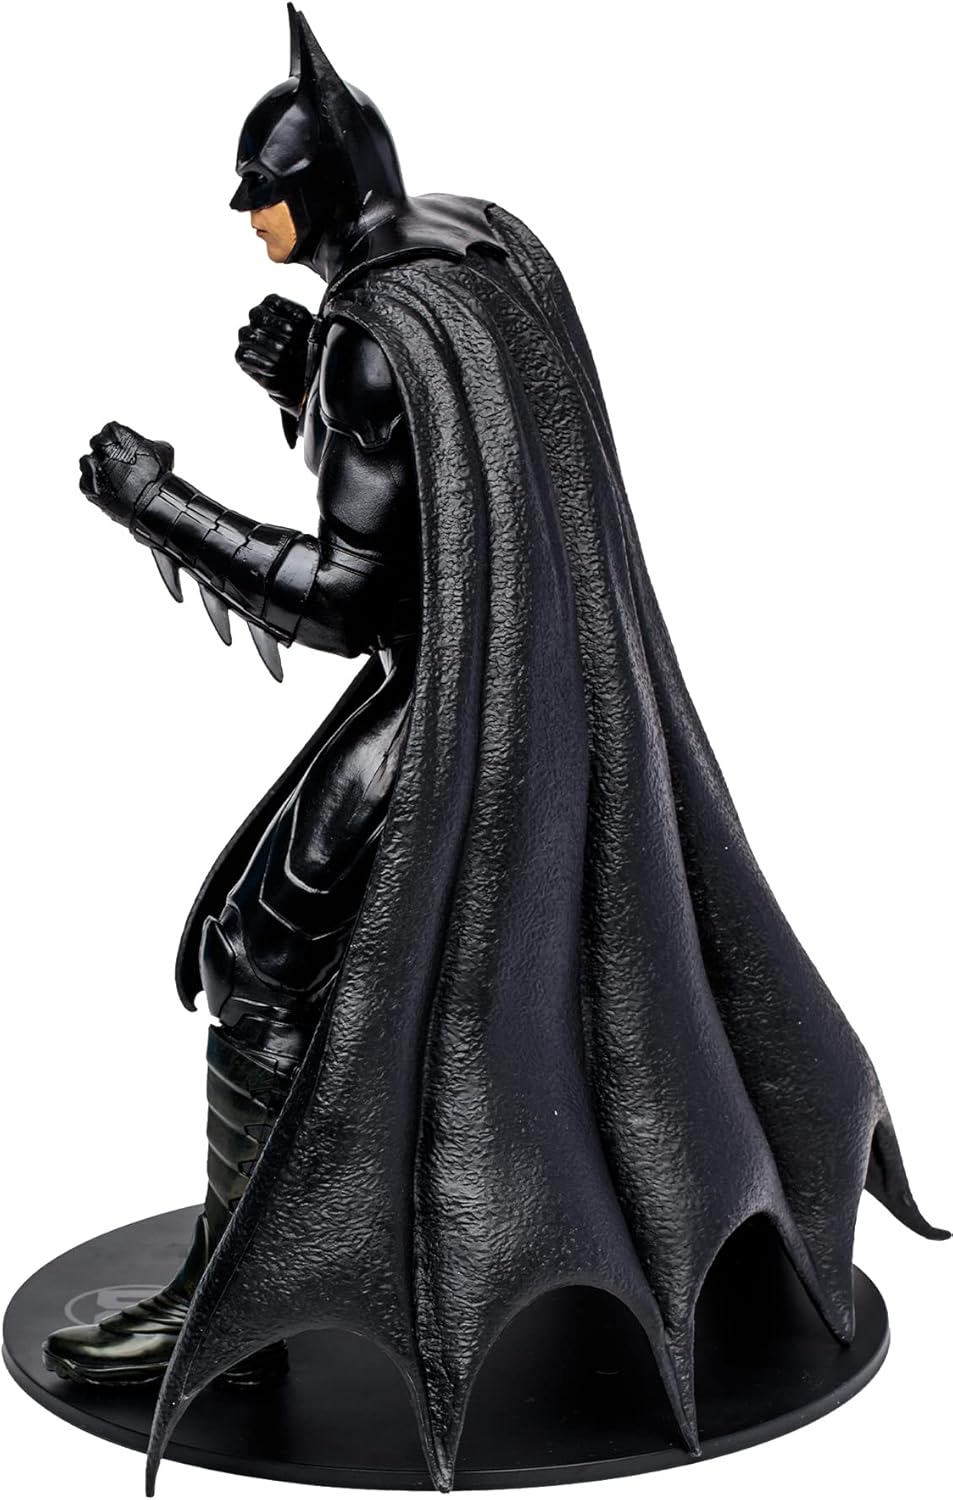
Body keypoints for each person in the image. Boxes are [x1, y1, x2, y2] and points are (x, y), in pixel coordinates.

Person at [43, 10, 945, 1493]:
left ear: (314, 192)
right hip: (554, 706)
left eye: (261, 196)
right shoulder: (482, 248)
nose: (246, 220)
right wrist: (301, 395)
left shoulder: (379, 338)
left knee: (258, 963)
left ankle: (231, 1307)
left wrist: (156, 502)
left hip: (452, 717)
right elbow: (465, 479)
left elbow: (348, 600)